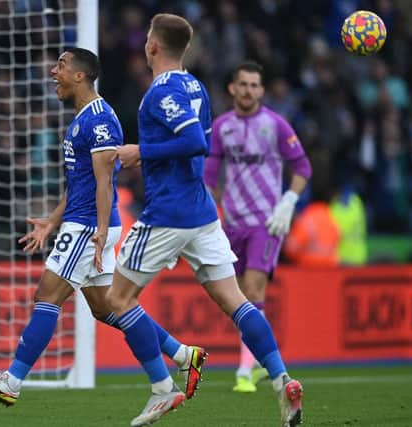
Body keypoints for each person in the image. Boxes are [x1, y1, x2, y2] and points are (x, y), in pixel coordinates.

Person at [0, 47, 202, 408]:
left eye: (61, 65)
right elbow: (79, 183)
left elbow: (105, 182)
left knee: (48, 295)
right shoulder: (82, 118)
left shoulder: (100, 119)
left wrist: (101, 230)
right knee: (107, 307)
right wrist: (51, 221)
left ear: (80, 75)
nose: (52, 71)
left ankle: (12, 381)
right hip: (84, 222)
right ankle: (182, 354)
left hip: (89, 226)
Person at [110, 14, 304, 427]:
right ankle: (281, 379)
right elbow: (201, 139)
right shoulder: (195, 85)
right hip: (201, 214)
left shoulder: (160, 92)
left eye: (147, 38)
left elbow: (197, 142)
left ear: (153, 47)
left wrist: (140, 151)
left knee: (117, 299)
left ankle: (163, 389)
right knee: (238, 303)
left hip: (167, 213)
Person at [203, 61, 312, 393]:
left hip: (266, 222)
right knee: (238, 298)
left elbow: (302, 167)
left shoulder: (276, 125)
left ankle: (244, 371)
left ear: (262, 91)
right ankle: (264, 360)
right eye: (243, 84)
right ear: (232, 89)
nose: (248, 90)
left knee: (253, 292)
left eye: (254, 85)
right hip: (231, 224)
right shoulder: (222, 127)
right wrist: (210, 210)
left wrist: (287, 202)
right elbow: (209, 174)